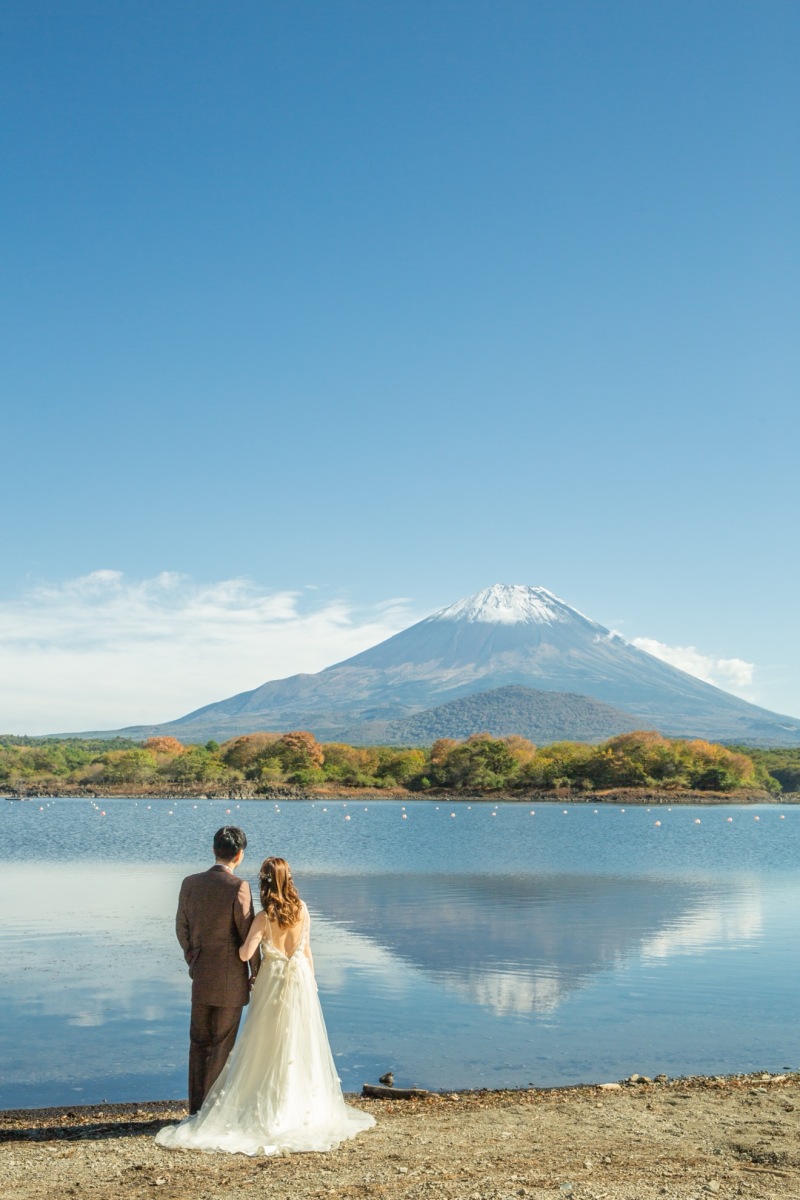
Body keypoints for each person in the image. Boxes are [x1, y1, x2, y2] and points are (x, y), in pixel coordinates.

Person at [156, 856, 375, 1156]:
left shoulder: (263, 917)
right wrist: (311, 984)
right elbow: (307, 951)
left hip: (272, 982)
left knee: (266, 1045)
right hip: (299, 981)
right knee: (297, 1045)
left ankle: (260, 1105)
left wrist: (225, 945)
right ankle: (299, 1106)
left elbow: (246, 954)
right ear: (289, 879)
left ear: (264, 882)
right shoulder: (303, 910)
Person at [174, 825, 260, 1115]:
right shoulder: (239, 887)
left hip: (200, 976)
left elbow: (181, 927)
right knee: (221, 1044)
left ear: (214, 849)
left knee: (198, 1043)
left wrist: (192, 958)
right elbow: (249, 935)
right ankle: (211, 1112)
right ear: (240, 855)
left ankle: (195, 1109)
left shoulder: (189, 883)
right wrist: (256, 972)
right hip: (230, 980)